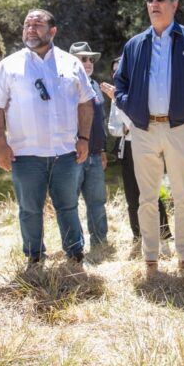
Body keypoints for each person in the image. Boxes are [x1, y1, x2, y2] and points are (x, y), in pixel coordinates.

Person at [113, 0, 184, 275]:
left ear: (174, 4)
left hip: (180, 128)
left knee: (183, 195)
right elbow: (120, 83)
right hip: (144, 130)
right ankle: (151, 257)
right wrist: (129, 105)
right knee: (147, 197)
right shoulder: (135, 44)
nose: (154, 4)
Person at [0, 9, 94, 266]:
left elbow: (86, 103)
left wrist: (84, 139)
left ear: (52, 31)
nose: (31, 29)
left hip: (65, 153)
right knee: (30, 210)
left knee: (67, 206)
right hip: (25, 154)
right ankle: (34, 258)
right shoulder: (8, 66)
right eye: (27, 25)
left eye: (38, 25)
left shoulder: (71, 63)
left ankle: (75, 255)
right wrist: (0, 145)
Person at [101, 59, 173, 249]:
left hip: (148, 147)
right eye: (114, 72)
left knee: (152, 193)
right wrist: (124, 129)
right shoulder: (115, 97)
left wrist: (132, 127)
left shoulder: (142, 92)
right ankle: (138, 237)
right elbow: (113, 128)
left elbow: (146, 123)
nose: (117, 76)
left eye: (120, 72)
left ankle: (165, 238)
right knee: (132, 197)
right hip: (128, 149)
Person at [69, 41, 109, 246]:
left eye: (91, 59)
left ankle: (100, 242)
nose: (88, 62)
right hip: (71, 155)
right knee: (69, 203)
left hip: (94, 154)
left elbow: (100, 120)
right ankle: (74, 246)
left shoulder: (94, 86)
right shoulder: (64, 84)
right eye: (83, 58)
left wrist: (102, 149)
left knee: (97, 202)